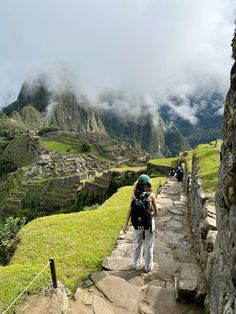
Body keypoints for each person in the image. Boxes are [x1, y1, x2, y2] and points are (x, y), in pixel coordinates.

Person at [123, 174, 158, 272]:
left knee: (137, 243)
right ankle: (148, 267)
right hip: (148, 223)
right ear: (147, 184)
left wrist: (125, 225)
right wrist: (154, 214)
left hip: (137, 223)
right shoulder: (151, 195)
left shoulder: (134, 195)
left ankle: (135, 264)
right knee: (149, 244)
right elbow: (156, 211)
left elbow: (130, 209)